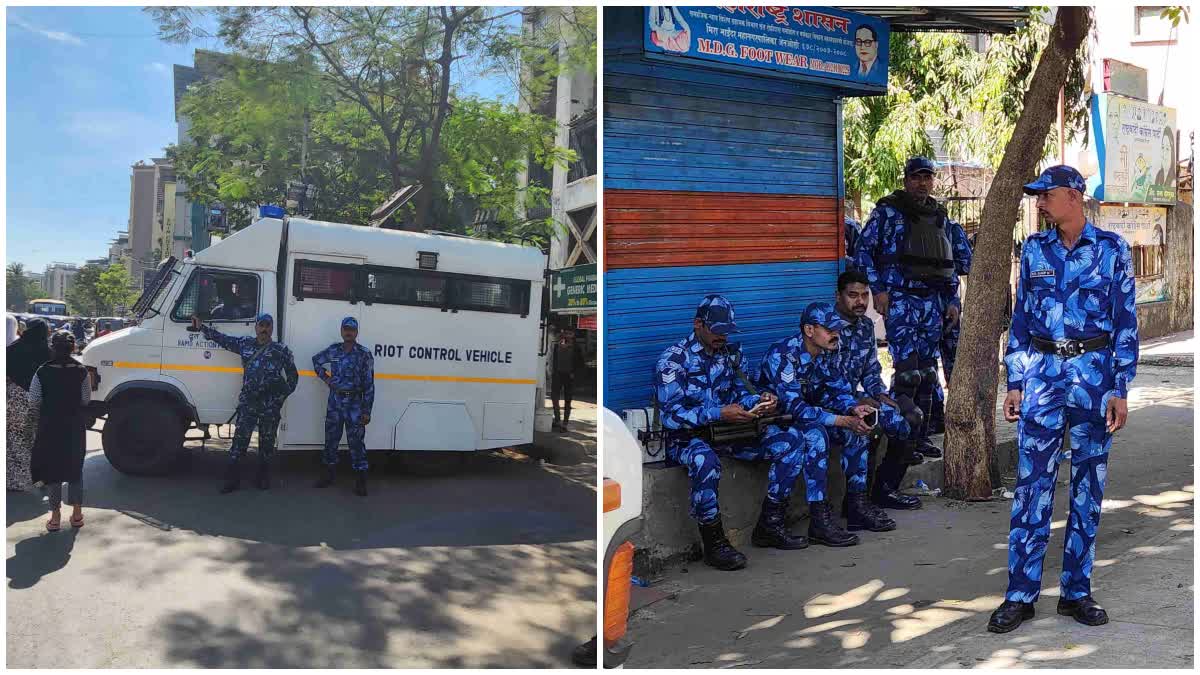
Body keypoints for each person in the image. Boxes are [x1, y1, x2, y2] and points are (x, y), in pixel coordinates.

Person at [987, 165, 1138, 634]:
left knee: (1087, 488)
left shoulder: (1112, 250)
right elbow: (1021, 320)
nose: (1040, 203)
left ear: (1073, 197)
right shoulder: (1034, 250)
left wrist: (1120, 388)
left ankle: (1077, 592)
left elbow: (1126, 322)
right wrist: (1014, 380)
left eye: (1046, 195)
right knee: (1032, 488)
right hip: (1043, 378)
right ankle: (1020, 594)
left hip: (1093, 380)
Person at [654, 294, 807, 571]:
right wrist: (719, 413)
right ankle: (714, 542)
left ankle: (770, 525)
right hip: (689, 438)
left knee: (792, 441)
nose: (722, 337)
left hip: (732, 433)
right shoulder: (674, 360)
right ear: (698, 324)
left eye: (727, 331)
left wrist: (760, 401)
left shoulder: (732, 355)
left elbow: (739, 393)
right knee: (705, 461)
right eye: (717, 330)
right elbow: (671, 415)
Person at [759, 301, 912, 546]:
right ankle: (818, 520)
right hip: (778, 422)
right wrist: (843, 420)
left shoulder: (827, 352)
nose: (835, 334)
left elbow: (837, 390)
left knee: (858, 431)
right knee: (817, 436)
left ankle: (856, 505)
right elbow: (795, 408)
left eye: (837, 329)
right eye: (829, 329)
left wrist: (854, 409)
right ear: (809, 330)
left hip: (810, 417)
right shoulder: (783, 355)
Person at [854, 156, 973, 459]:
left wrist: (953, 301)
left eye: (927, 178)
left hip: (931, 302)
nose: (922, 183)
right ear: (906, 179)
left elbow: (948, 264)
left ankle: (919, 438)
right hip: (901, 299)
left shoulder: (940, 217)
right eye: (916, 177)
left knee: (927, 373)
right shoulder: (887, 213)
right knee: (907, 373)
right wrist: (878, 291)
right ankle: (902, 437)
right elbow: (863, 252)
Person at [832, 270, 925, 511]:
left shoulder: (865, 326)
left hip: (859, 398)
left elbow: (871, 370)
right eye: (853, 295)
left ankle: (885, 490)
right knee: (871, 426)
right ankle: (855, 502)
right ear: (838, 296)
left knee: (909, 416)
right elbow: (823, 378)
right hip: (832, 402)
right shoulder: (827, 327)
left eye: (865, 295)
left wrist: (880, 395)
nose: (860, 301)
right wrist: (858, 399)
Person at [193, 312, 299, 493]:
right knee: (239, 443)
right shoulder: (245, 344)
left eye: (267, 326)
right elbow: (223, 339)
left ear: (272, 328)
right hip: (249, 403)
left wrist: (279, 400)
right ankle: (232, 479)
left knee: (266, 444)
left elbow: (293, 378)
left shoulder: (281, 350)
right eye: (261, 325)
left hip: (269, 406)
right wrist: (201, 327)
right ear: (256, 327)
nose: (264, 329)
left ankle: (263, 477)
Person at [28, 331, 91, 531]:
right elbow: (86, 399)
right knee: (75, 468)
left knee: (53, 470)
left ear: (52, 348)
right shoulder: (82, 371)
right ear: (73, 348)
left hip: (50, 427)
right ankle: (77, 514)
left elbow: (34, 400)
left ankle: (55, 518)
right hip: (74, 426)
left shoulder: (42, 371)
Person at [312, 317, 375, 496]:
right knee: (331, 439)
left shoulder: (364, 354)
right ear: (341, 330)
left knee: (356, 443)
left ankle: (361, 480)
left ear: (357, 332)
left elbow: (369, 385)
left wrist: (366, 410)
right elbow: (316, 361)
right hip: (335, 402)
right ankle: (328, 475)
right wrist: (327, 378)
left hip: (355, 403)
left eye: (352, 330)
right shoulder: (333, 350)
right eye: (346, 329)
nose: (348, 332)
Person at [7, 318, 51, 492]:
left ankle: (16, 481)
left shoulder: (12, 350)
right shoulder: (49, 353)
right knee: (37, 440)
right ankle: (39, 478)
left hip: (16, 399)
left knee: (15, 441)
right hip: (39, 401)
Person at [550, 328, 585, 432]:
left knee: (568, 400)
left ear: (573, 335)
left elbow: (580, 363)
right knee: (554, 397)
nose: (568, 335)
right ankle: (557, 419)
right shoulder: (557, 345)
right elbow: (553, 359)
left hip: (569, 376)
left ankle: (565, 423)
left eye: (570, 333)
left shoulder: (576, 348)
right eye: (566, 333)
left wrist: (575, 375)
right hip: (557, 374)